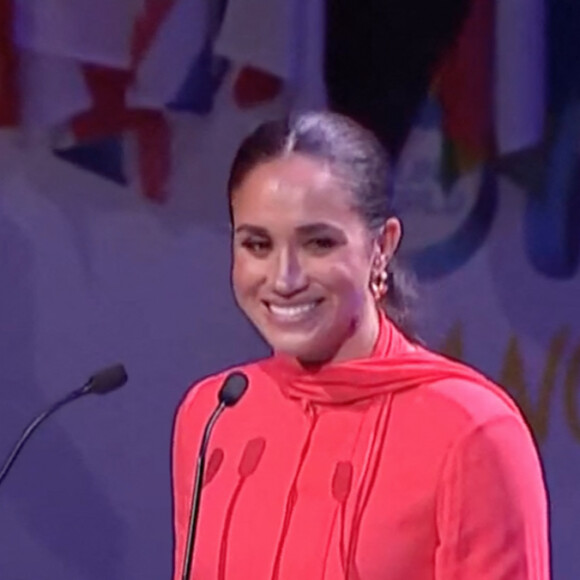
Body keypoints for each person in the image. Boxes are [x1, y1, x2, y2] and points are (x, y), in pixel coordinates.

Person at [172, 111, 550, 579]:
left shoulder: (472, 431)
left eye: (318, 244)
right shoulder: (214, 414)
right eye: (258, 245)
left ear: (381, 247)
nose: (284, 279)